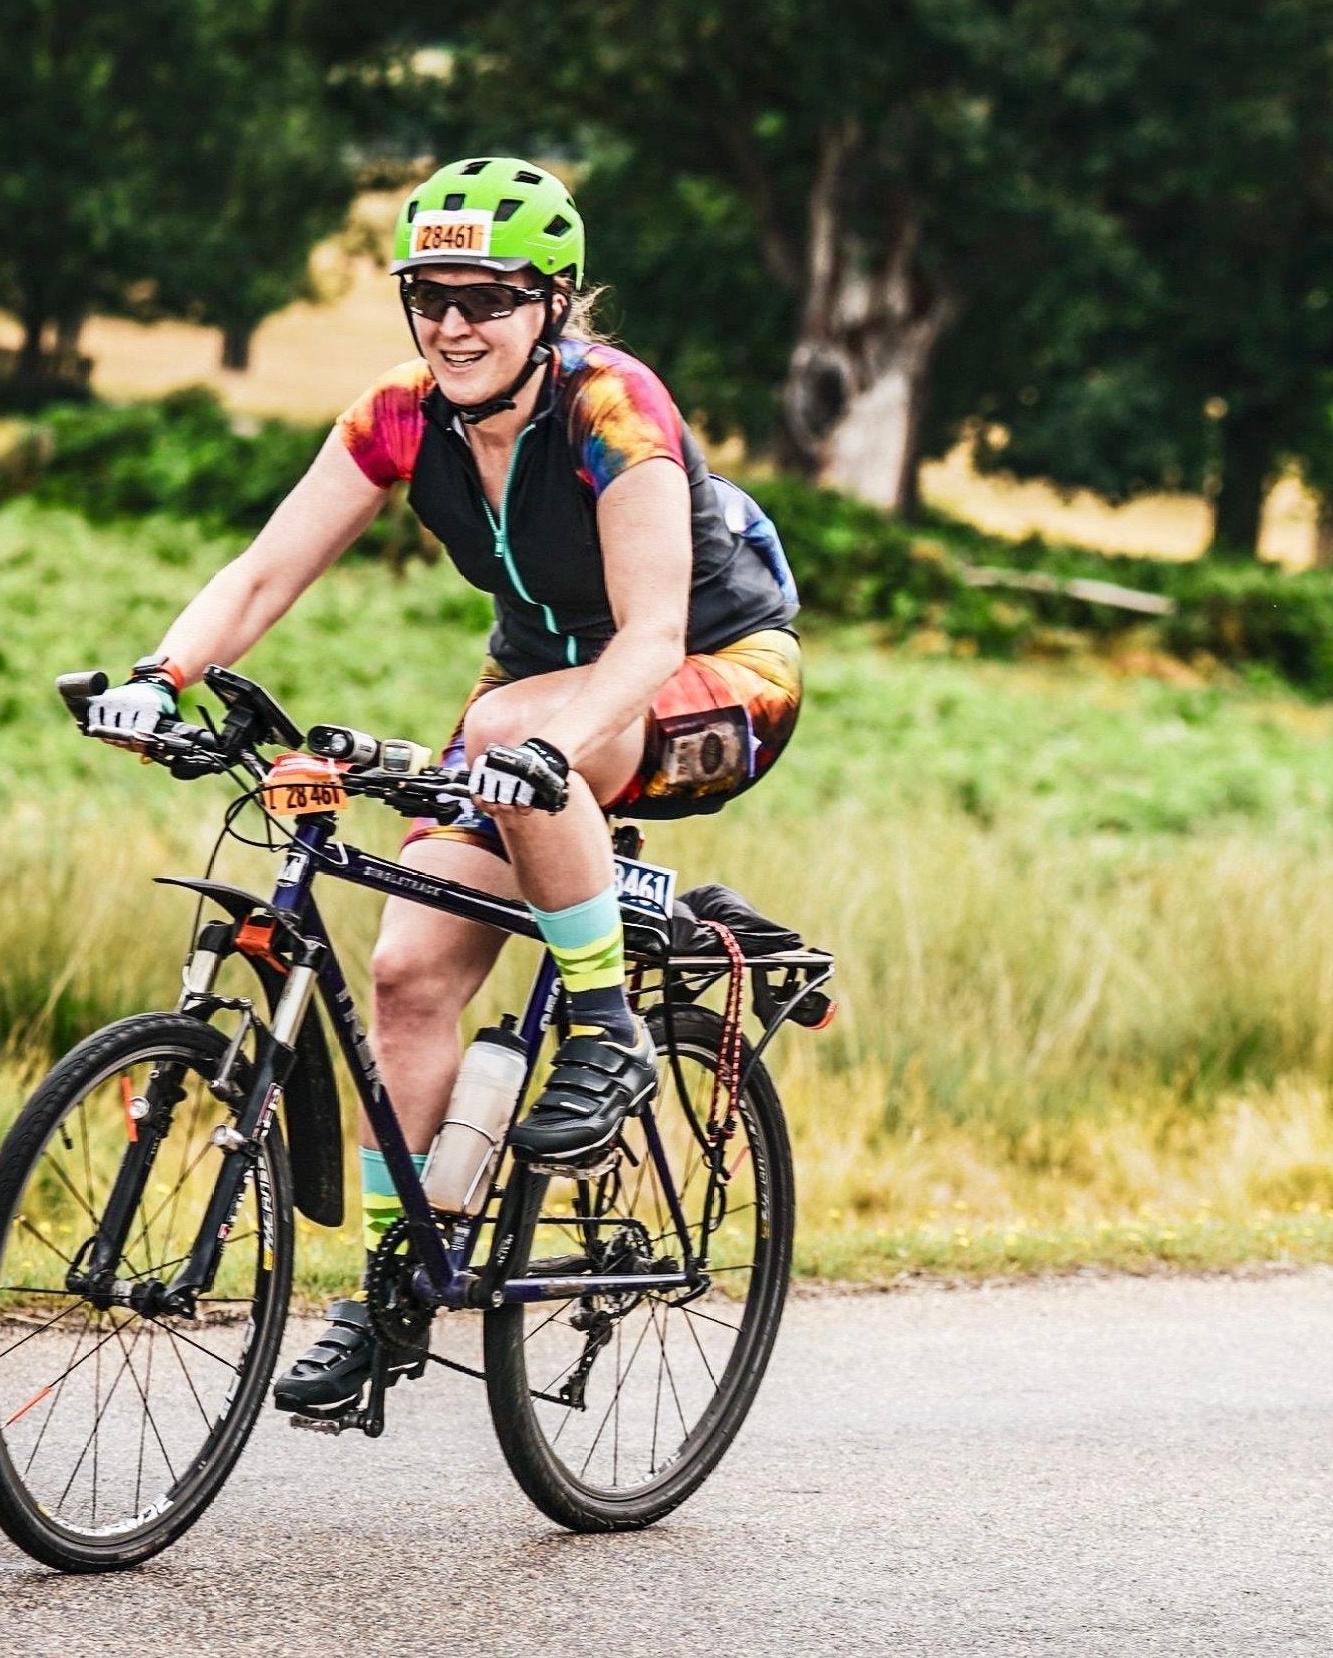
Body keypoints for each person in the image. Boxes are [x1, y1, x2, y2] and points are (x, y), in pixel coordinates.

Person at [86, 156, 803, 1418]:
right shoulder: (399, 414)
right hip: (534, 704)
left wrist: (545, 735)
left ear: (554, 302)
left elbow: (644, 642)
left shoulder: (616, 411)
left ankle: (606, 1029)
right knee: (409, 965)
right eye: (429, 296)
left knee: (514, 725)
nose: (454, 325)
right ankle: (383, 1289)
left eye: (489, 297)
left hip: (710, 677)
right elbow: (262, 573)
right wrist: (163, 672)